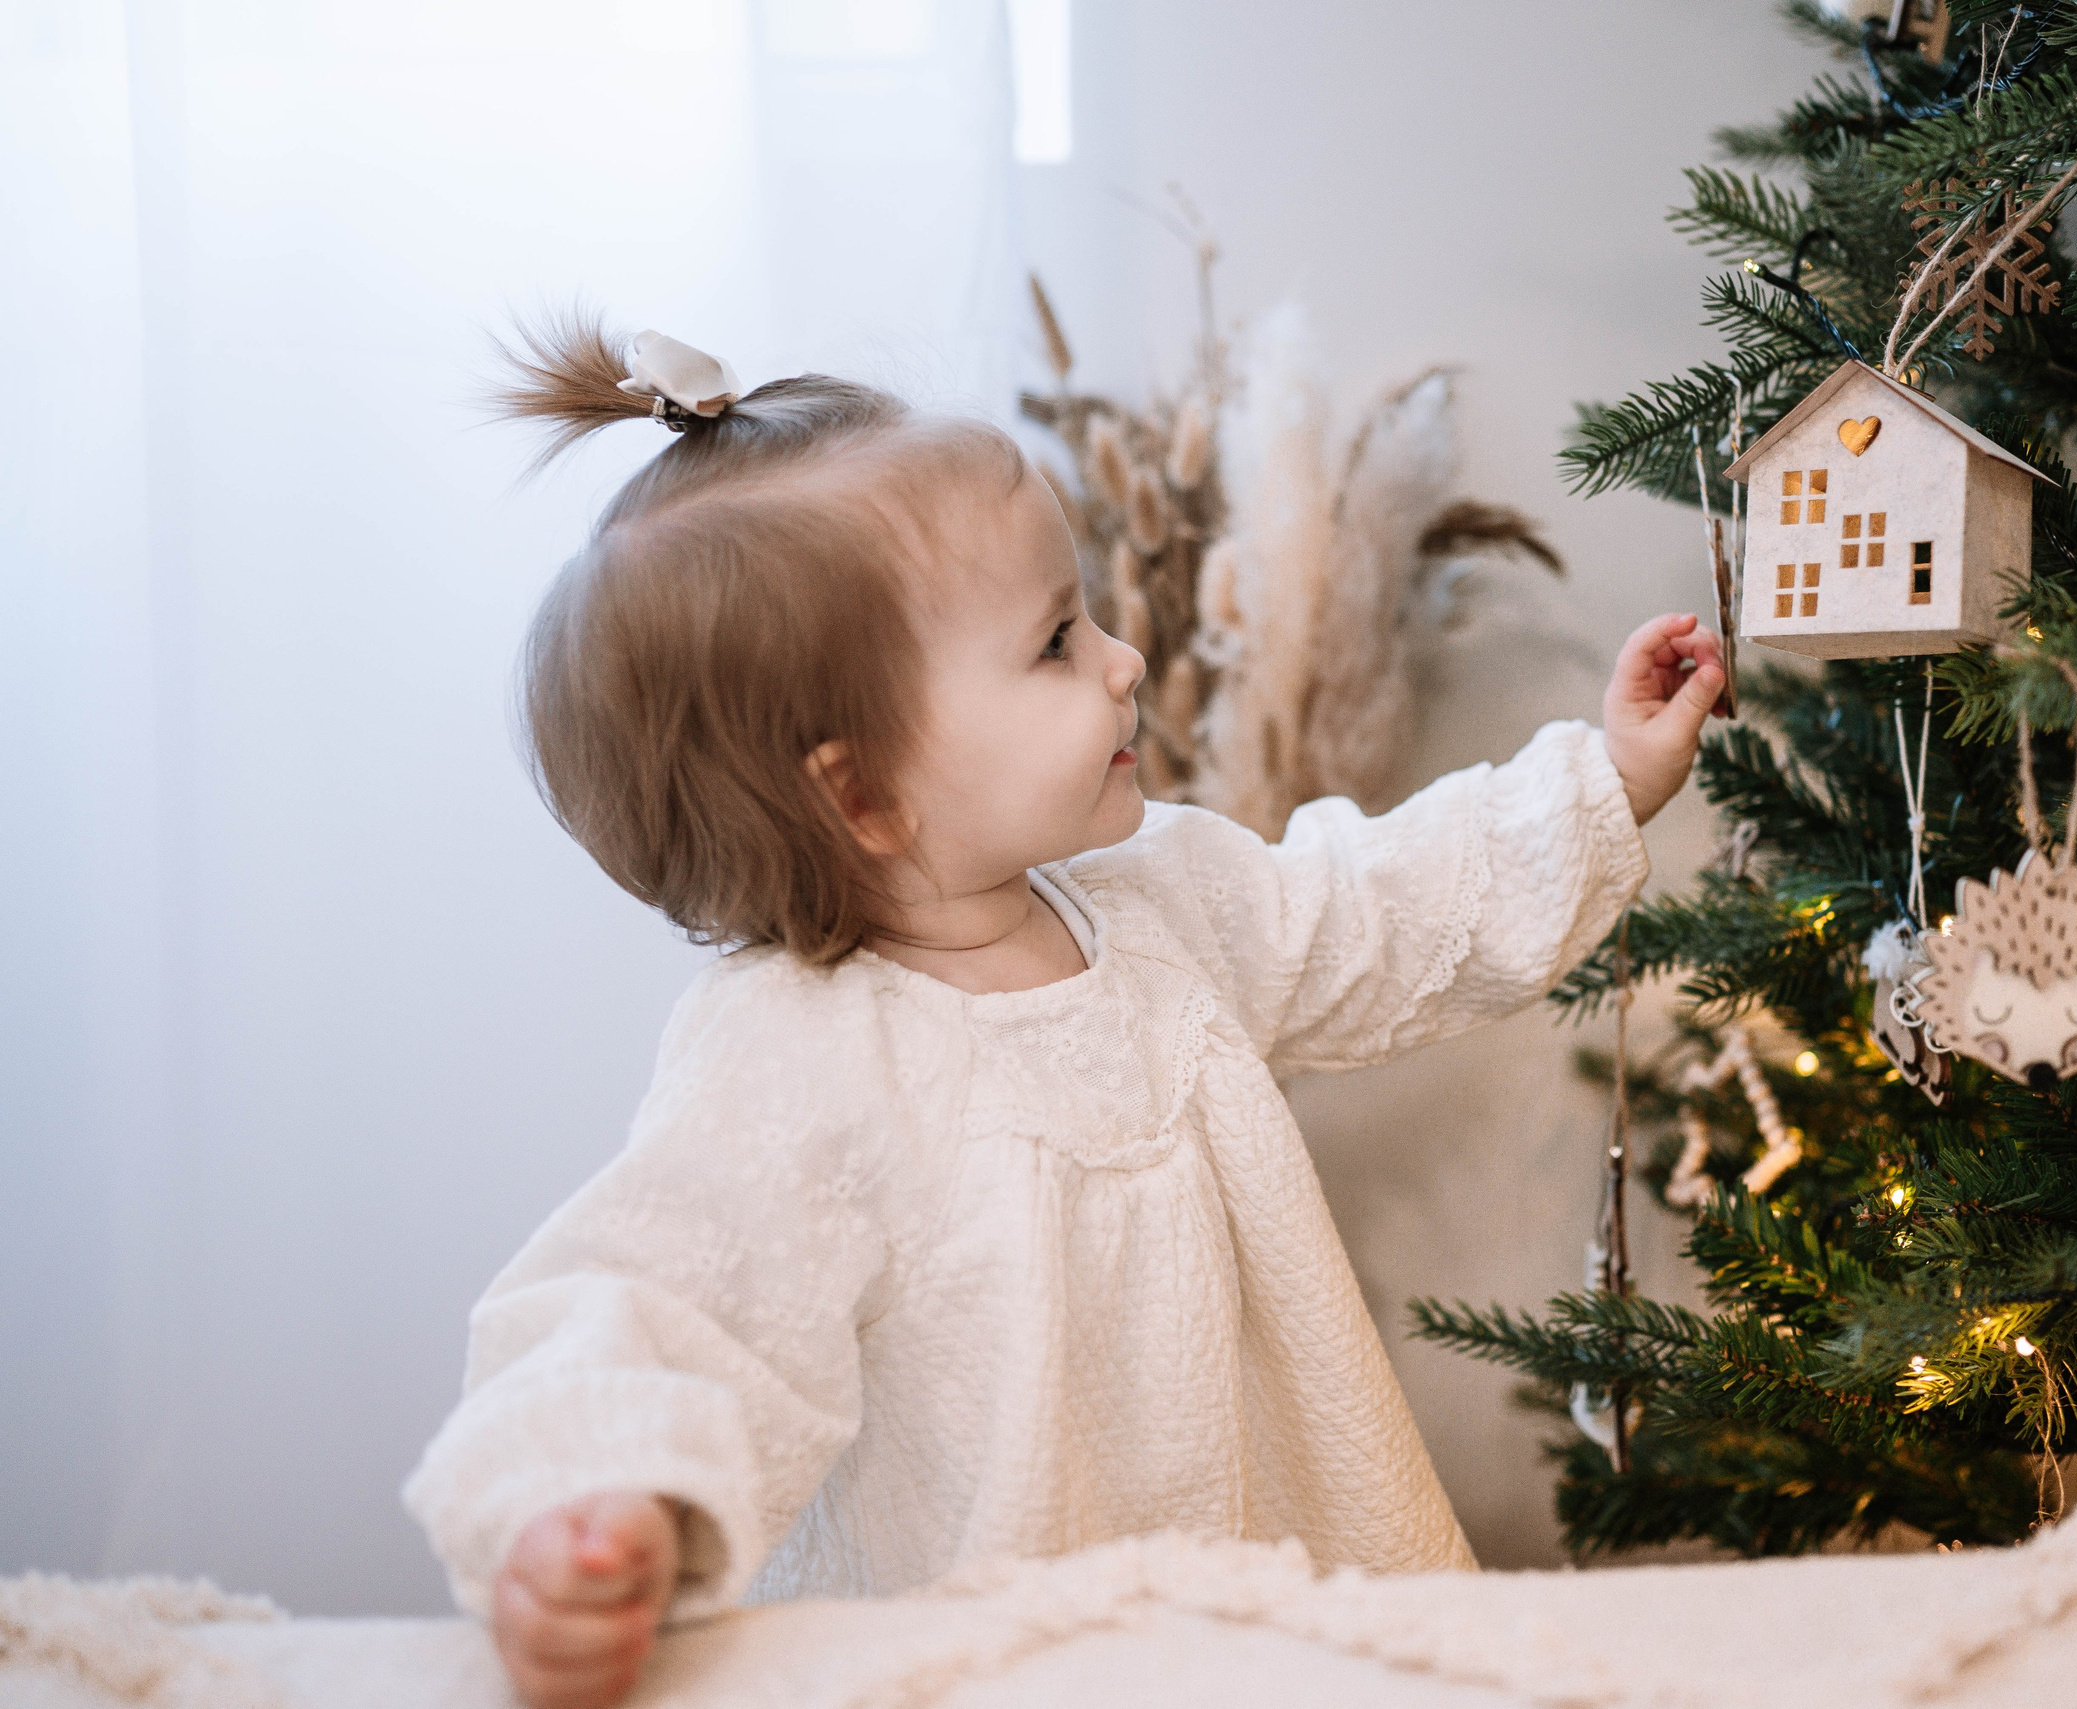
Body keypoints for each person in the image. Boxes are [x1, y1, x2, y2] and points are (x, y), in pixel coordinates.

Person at [404, 320, 1725, 1709]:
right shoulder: (803, 1051)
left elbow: (1373, 907)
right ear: (859, 794)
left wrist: (1598, 782)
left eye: (1086, 614)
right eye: (1052, 641)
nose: (1124, 657)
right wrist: (592, 1501)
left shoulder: (1163, 900)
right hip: (992, 1653)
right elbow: (662, 1292)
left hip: (1267, 1598)